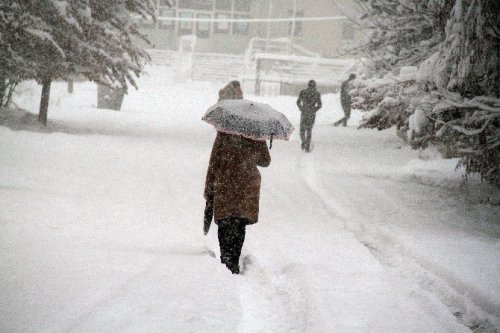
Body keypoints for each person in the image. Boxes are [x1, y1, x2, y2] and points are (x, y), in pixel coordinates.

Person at [204, 81, 271, 274]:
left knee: (225, 224)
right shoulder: (255, 132)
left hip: (225, 184)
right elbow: (265, 161)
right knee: (239, 225)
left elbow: (214, 161)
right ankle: (233, 261)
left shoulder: (224, 131)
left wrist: (209, 189)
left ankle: (226, 262)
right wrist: (257, 146)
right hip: (246, 186)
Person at [297, 80, 322, 152]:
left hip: (304, 113)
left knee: (302, 130)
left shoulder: (303, 92)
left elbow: (298, 102)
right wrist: (314, 110)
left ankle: (303, 141)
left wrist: (301, 108)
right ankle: (307, 145)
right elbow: (320, 105)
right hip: (311, 114)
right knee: (309, 130)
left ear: (308, 85)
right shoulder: (317, 94)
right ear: (314, 86)